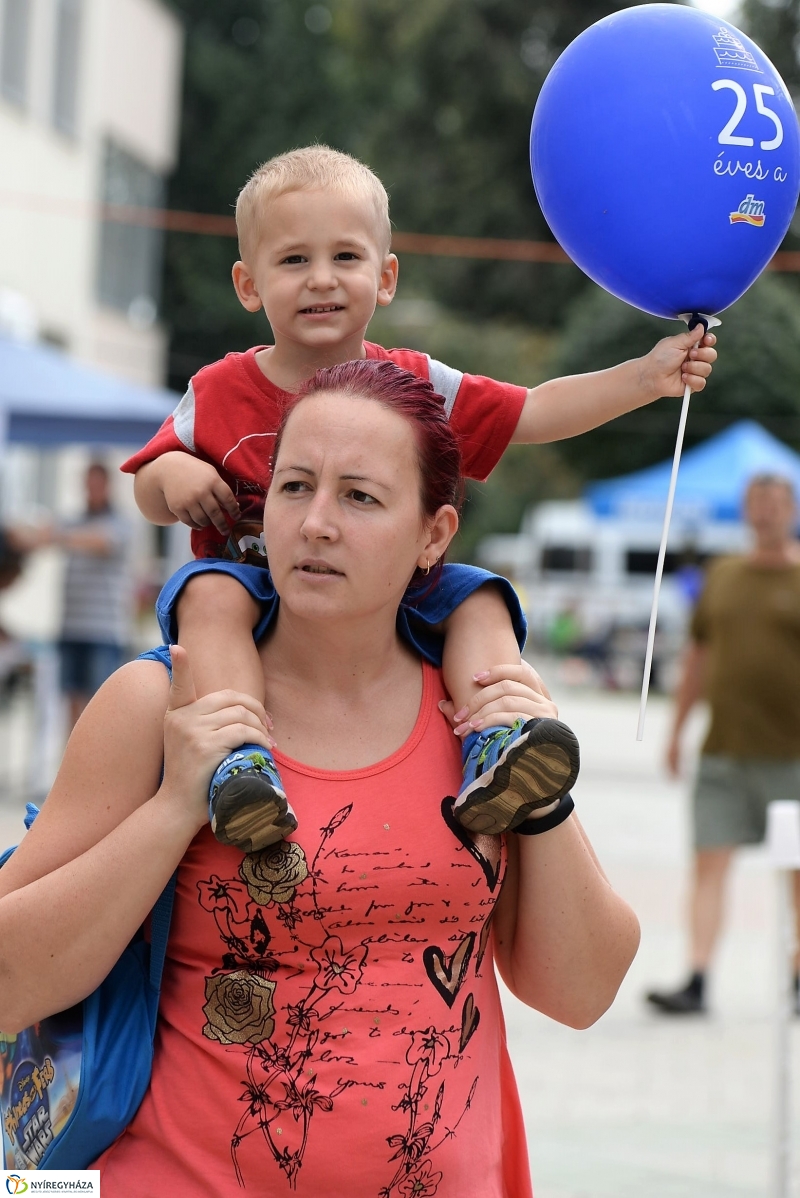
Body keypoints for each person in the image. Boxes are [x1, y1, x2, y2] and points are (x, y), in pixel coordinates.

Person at [0, 361, 640, 1196]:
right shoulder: (162, 704)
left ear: (433, 536)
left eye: (361, 497)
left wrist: (545, 804)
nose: (316, 524)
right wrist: (171, 810)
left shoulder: (481, 721)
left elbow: (582, 991)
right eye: (295, 486)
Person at [123, 145, 716, 855]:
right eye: (293, 262)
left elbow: (529, 413)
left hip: (390, 602)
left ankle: (497, 743)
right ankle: (238, 763)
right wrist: (176, 478)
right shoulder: (218, 390)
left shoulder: (415, 383)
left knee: (479, 597)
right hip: (253, 595)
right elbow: (148, 486)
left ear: (387, 276)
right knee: (210, 596)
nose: (322, 280)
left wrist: (644, 378)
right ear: (248, 285)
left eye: (346, 257)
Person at [647, 473, 800, 1015]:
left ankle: (799, 977)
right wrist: (676, 731)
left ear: (791, 509)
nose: (765, 513)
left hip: (792, 756)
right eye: (756, 503)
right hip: (723, 751)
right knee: (708, 864)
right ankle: (698, 977)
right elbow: (699, 658)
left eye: (776, 503)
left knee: (797, 872)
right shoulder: (724, 574)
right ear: (744, 510)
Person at [12, 462, 132, 732]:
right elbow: (39, 536)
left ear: (107, 486)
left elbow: (100, 541)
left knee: (98, 706)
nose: (92, 489)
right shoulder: (71, 522)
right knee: (71, 705)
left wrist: (56, 536)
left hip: (104, 630)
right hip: (71, 627)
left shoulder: (120, 523)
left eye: (96, 483)